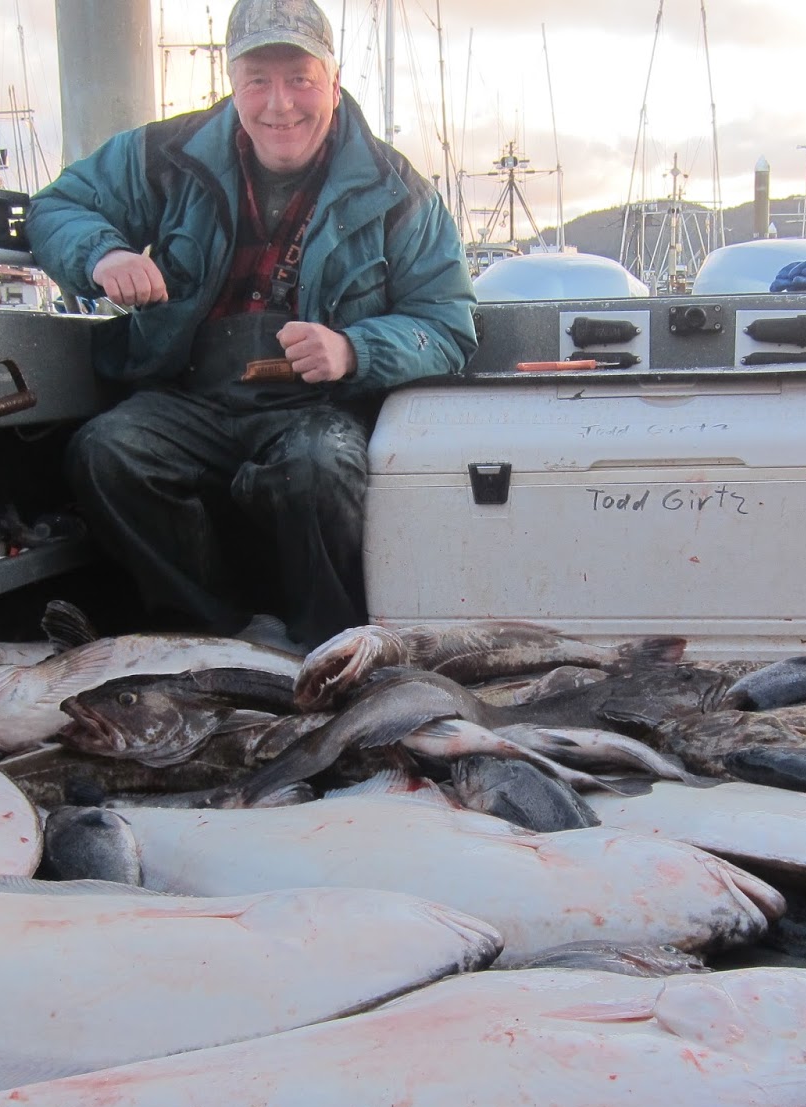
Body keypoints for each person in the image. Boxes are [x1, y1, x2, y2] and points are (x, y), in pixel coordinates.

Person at [26, 0, 476, 652]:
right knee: (107, 452)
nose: (279, 103)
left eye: (300, 78)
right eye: (257, 80)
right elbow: (60, 204)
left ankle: (332, 648)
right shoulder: (168, 153)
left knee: (322, 462)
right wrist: (104, 253)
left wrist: (354, 350)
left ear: (333, 76)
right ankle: (217, 635)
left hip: (316, 407)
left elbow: (449, 326)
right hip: (190, 397)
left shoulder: (398, 189)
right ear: (232, 80)